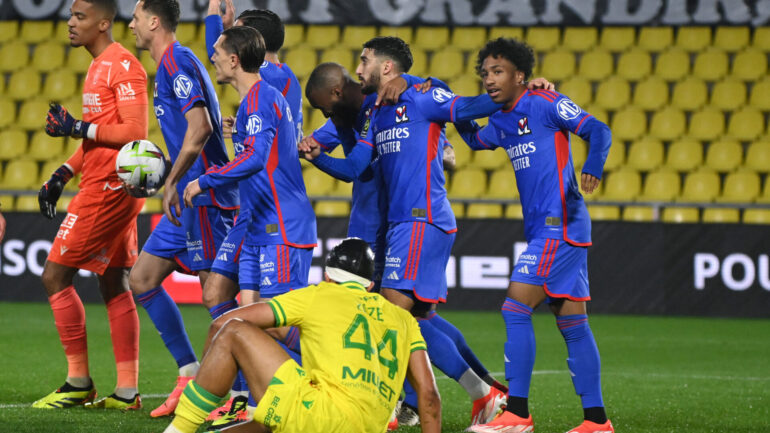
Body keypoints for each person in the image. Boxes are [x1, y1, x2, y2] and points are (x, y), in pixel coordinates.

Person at [306, 36, 513, 428]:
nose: (359, 67)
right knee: (418, 315)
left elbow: (458, 101)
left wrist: (420, 80)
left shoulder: (413, 95)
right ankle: (485, 391)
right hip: (400, 223)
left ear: (385, 69)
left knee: (393, 315)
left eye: (364, 61)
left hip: (417, 219)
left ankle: (459, 396)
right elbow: (356, 169)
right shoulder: (373, 113)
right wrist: (316, 154)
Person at [459, 38, 614, 433]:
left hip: (559, 224)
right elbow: (476, 140)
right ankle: (597, 422)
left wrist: (593, 163)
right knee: (573, 324)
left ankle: (518, 413)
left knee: (515, 307)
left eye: (498, 72)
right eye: (485, 73)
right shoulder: (501, 119)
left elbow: (598, 129)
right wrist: (453, 113)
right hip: (550, 229)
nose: (489, 80)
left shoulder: (545, 102)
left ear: (520, 76)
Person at [163, 238, 441, 433]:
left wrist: (209, 376)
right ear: (370, 285)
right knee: (264, 420)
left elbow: (223, 324)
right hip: (369, 426)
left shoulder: (319, 294)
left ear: (329, 276)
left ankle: (178, 430)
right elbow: (428, 397)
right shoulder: (404, 319)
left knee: (233, 329)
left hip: (319, 417)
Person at [183, 25, 317, 428]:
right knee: (247, 317)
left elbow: (257, 160)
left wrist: (205, 180)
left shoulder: (261, 99)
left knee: (277, 324)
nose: (214, 58)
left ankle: (325, 372)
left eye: (219, 52)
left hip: (282, 228)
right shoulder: (250, 104)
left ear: (235, 60)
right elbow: (256, 162)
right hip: (259, 228)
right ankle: (258, 402)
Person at [30, 0, 147, 411]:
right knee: (114, 283)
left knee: (54, 276)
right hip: (104, 184)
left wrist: (78, 127)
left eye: (79, 16)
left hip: (108, 190)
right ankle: (128, 393)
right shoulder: (98, 65)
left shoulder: (124, 65)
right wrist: (61, 173)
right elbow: (98, 138)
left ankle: (78, 381)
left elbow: (136, 132)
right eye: (70, 16)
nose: (70, 23)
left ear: (103, 22)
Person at [128, 0, 239, 417]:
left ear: (154, 21)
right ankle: (190, 372)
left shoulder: (176, 62)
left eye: (136, 18)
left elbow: (201, 127)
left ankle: (238, 395)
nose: (132, 25)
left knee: (219, 296)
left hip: (204, 196)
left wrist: (172, 181)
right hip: (190, 197)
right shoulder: (174, 64)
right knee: (142, 277)